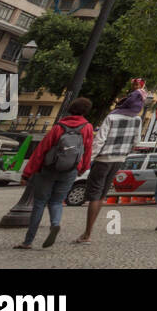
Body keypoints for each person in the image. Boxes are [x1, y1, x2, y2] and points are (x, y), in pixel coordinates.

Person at [15, 98, 94, 250]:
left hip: (49, 168)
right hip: (70, 169)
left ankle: (28, 241)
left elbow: (42, 149)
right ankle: (55, 224)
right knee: (57, 201)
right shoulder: (88, 127)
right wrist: (83, 167)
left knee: (39, 203)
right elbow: (88, 149)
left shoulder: (59, 126)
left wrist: (27, 173)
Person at [74, 83, 145, 245]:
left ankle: (87, 233)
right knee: (102, 195)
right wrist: (125, 153)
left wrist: (87, 161)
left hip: (103, 159)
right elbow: (137, 142)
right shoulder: (137, 120)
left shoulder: (112, 117)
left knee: (94, 195)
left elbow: (100, 140)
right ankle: (87, 232)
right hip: (118, 160)